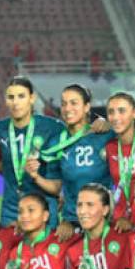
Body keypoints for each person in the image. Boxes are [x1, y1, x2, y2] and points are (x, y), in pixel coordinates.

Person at [0, 76, 63, 227]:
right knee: (12, 250)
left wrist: (99, 121)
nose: (15, 102)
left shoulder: (53, 128)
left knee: (43, 250)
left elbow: (79, 135)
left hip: (44, 207)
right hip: (12, 209)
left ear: (32, 98)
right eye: (11, 97)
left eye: (21, 96)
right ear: (6, 100)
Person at [46, 85, 112, 240]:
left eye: (74, 103)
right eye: (63, 103)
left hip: (105, 221)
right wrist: (65, 220)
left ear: (87, 106)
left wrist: (107, 123)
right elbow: (54, 189)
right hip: (73, 224)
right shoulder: (56, 143)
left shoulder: (105, 135)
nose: (67, 108)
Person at [103, 92, 135, 230]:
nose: (115, 117)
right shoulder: (110, 147)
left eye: (121, 111)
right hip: (120, 223)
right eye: (111, 112)